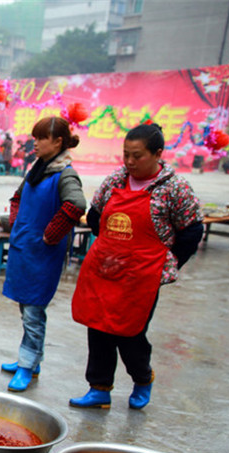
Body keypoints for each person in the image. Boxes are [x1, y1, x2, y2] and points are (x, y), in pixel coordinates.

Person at [70, 123, 203, 409]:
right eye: (125, 155)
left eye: (137, 156)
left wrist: (169, 261)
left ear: (157, 154)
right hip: (106, 270)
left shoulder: (174, 188)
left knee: (130, 332)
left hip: (143, 276)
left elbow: (191, 230)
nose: (129, 162)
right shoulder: (116, 180)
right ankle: (99, 388)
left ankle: (142, 378)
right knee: (99, 328)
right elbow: (95, 216)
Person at [1, 116, 86, 392]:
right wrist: (16, 223)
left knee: (34, 312)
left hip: (43, 256)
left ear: (58, 142)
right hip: (24, 249)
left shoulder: (65, 174)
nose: (34, 143)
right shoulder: (38, 169)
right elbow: (17, 197)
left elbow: (75, 205)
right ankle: (32, 359)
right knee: (26, 308)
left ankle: (27, 365)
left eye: (41, 138)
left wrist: (51, 234)